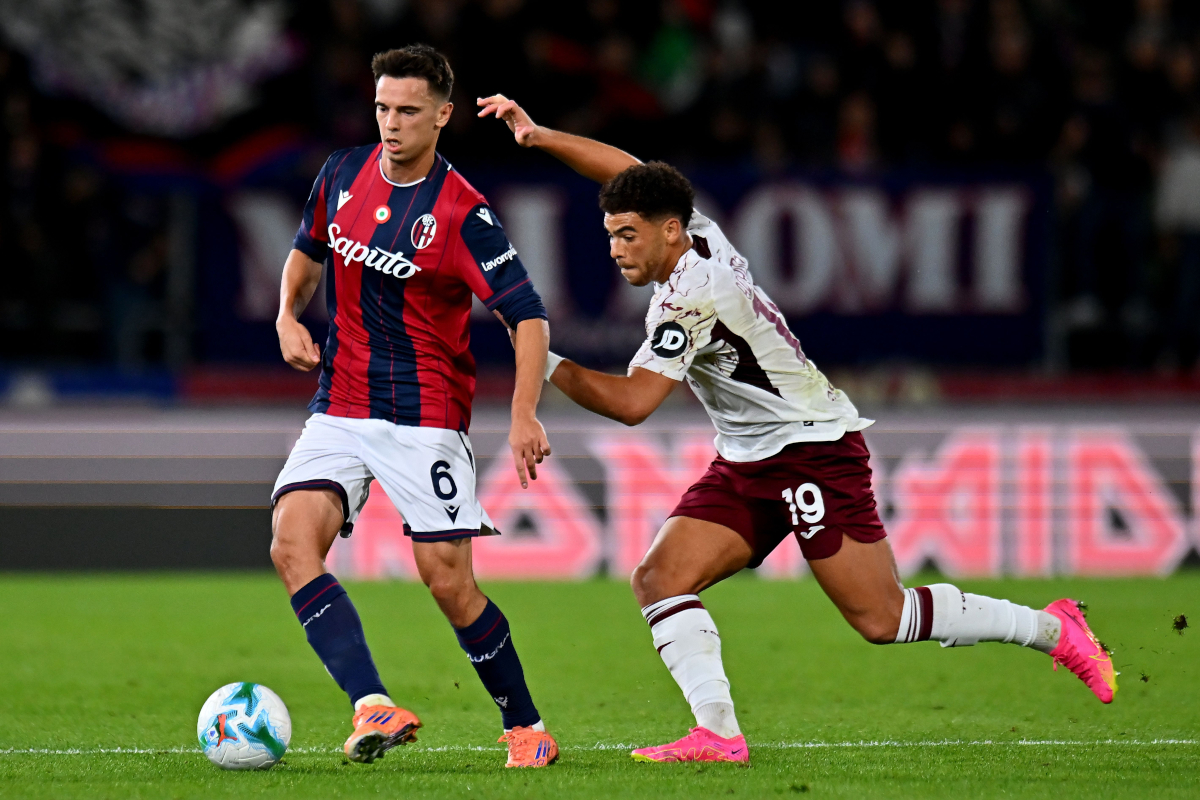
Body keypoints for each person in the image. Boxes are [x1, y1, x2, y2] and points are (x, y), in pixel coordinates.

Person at [478, 93, 1118, 765]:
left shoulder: (689, 298)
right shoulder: (698, 232)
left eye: (627, 234)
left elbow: (636, 403)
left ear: (668, 231)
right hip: (751, 458)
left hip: (813, 449)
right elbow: (630, 170)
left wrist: (539, 355)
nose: (614, 249)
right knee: (660, 577)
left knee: (882, 618)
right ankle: (719, 734)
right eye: (610, 233)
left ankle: (1053, 629)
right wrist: (541, 135)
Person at [270, 46, 558, 769]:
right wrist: (286, 315)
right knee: (290, 542)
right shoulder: (340, 174)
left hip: (424, 416)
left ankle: (526, 727)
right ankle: (373, 704)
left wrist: (525, 414)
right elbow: (306, 254)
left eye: (406, 111)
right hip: (338, 405)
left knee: (448, 583)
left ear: (441, 116)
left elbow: (528, 318)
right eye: (381, 108)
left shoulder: (465, 215)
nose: (390, 124)